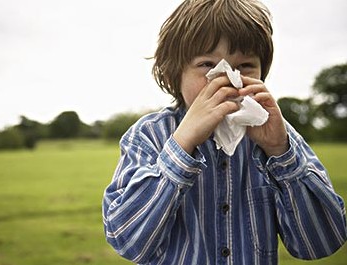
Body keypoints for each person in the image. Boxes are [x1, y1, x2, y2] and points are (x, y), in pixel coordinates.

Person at [102, 0, 347, 264]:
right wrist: (182, 145)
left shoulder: (278, 138)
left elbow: (322, 243)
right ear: (176, 73)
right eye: (207, 64)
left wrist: (280, 152)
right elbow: (126, 240)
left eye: (245, 66)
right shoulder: (149, 135)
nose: (227, 78)